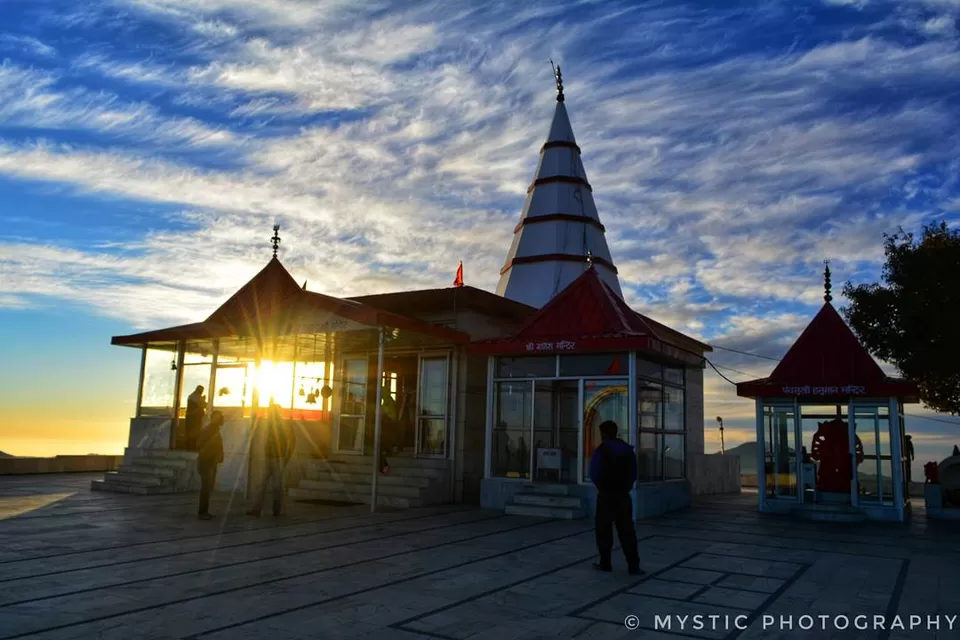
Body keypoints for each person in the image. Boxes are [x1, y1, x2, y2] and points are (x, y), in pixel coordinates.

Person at [589, 420, 642, 575]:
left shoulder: (603, 450)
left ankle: (605, 563)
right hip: (623, 496)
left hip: (606, 495)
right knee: (627, 531)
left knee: (603, 530)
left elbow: (594, 472)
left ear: (604, 434)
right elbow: (633, 472)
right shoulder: (627, 450)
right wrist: (626, 487)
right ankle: (633, 565)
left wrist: (602, 487)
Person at [247, 404, 295, 517]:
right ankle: (260, 510)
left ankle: (274, 510)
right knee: (265, 485)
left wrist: (287, 457)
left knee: (275, 486)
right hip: (270, 458)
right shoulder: (270, 424)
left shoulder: (283, 424)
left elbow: (292, 440)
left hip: (278, 458)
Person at [196, 411, 224, 520]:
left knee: (208, 488)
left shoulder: (214, 430)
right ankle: (202, 512)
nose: (222, 419)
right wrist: (210, 454)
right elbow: (199, 444)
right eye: (219, 418)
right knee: (206, 488)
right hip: (206, 462)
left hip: (210, 462)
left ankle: (204, 511)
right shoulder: (209, 430)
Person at [184, 385, 207, 450]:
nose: (202, 392)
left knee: (189, 432)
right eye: (202, 390)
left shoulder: (192, 396)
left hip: (190, 417)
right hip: (194, 418)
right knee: (194, 432)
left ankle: (188, 447)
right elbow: (204, 405)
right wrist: (203, 399)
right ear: (199, 390)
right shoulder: (196, 396)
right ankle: (192, 447)